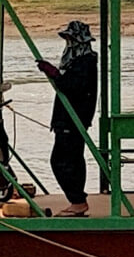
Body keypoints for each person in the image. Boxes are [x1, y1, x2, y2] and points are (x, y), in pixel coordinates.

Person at [36, 20, 99, 217]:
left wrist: (54, 73)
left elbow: (72, 86)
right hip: (68, 118)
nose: (68, 43)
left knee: (61, 161)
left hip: (73, 119)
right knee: (72, 159)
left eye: (71, 38)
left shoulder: (84, 62)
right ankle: (77, 200)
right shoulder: (77, 61)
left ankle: (77, 200)